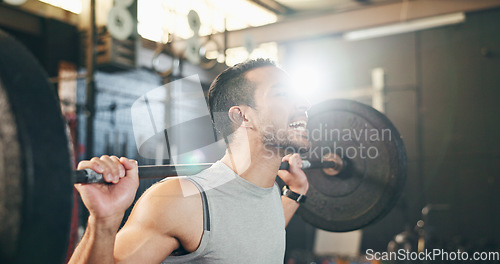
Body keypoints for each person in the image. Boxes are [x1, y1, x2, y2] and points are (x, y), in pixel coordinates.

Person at [69, 59, 311, 263]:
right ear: (242, 116)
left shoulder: (267, 192)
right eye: (282, 94)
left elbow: (256, 232)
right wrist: (104, 221)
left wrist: (295, 193)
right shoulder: (183, 201)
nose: (304, 104)